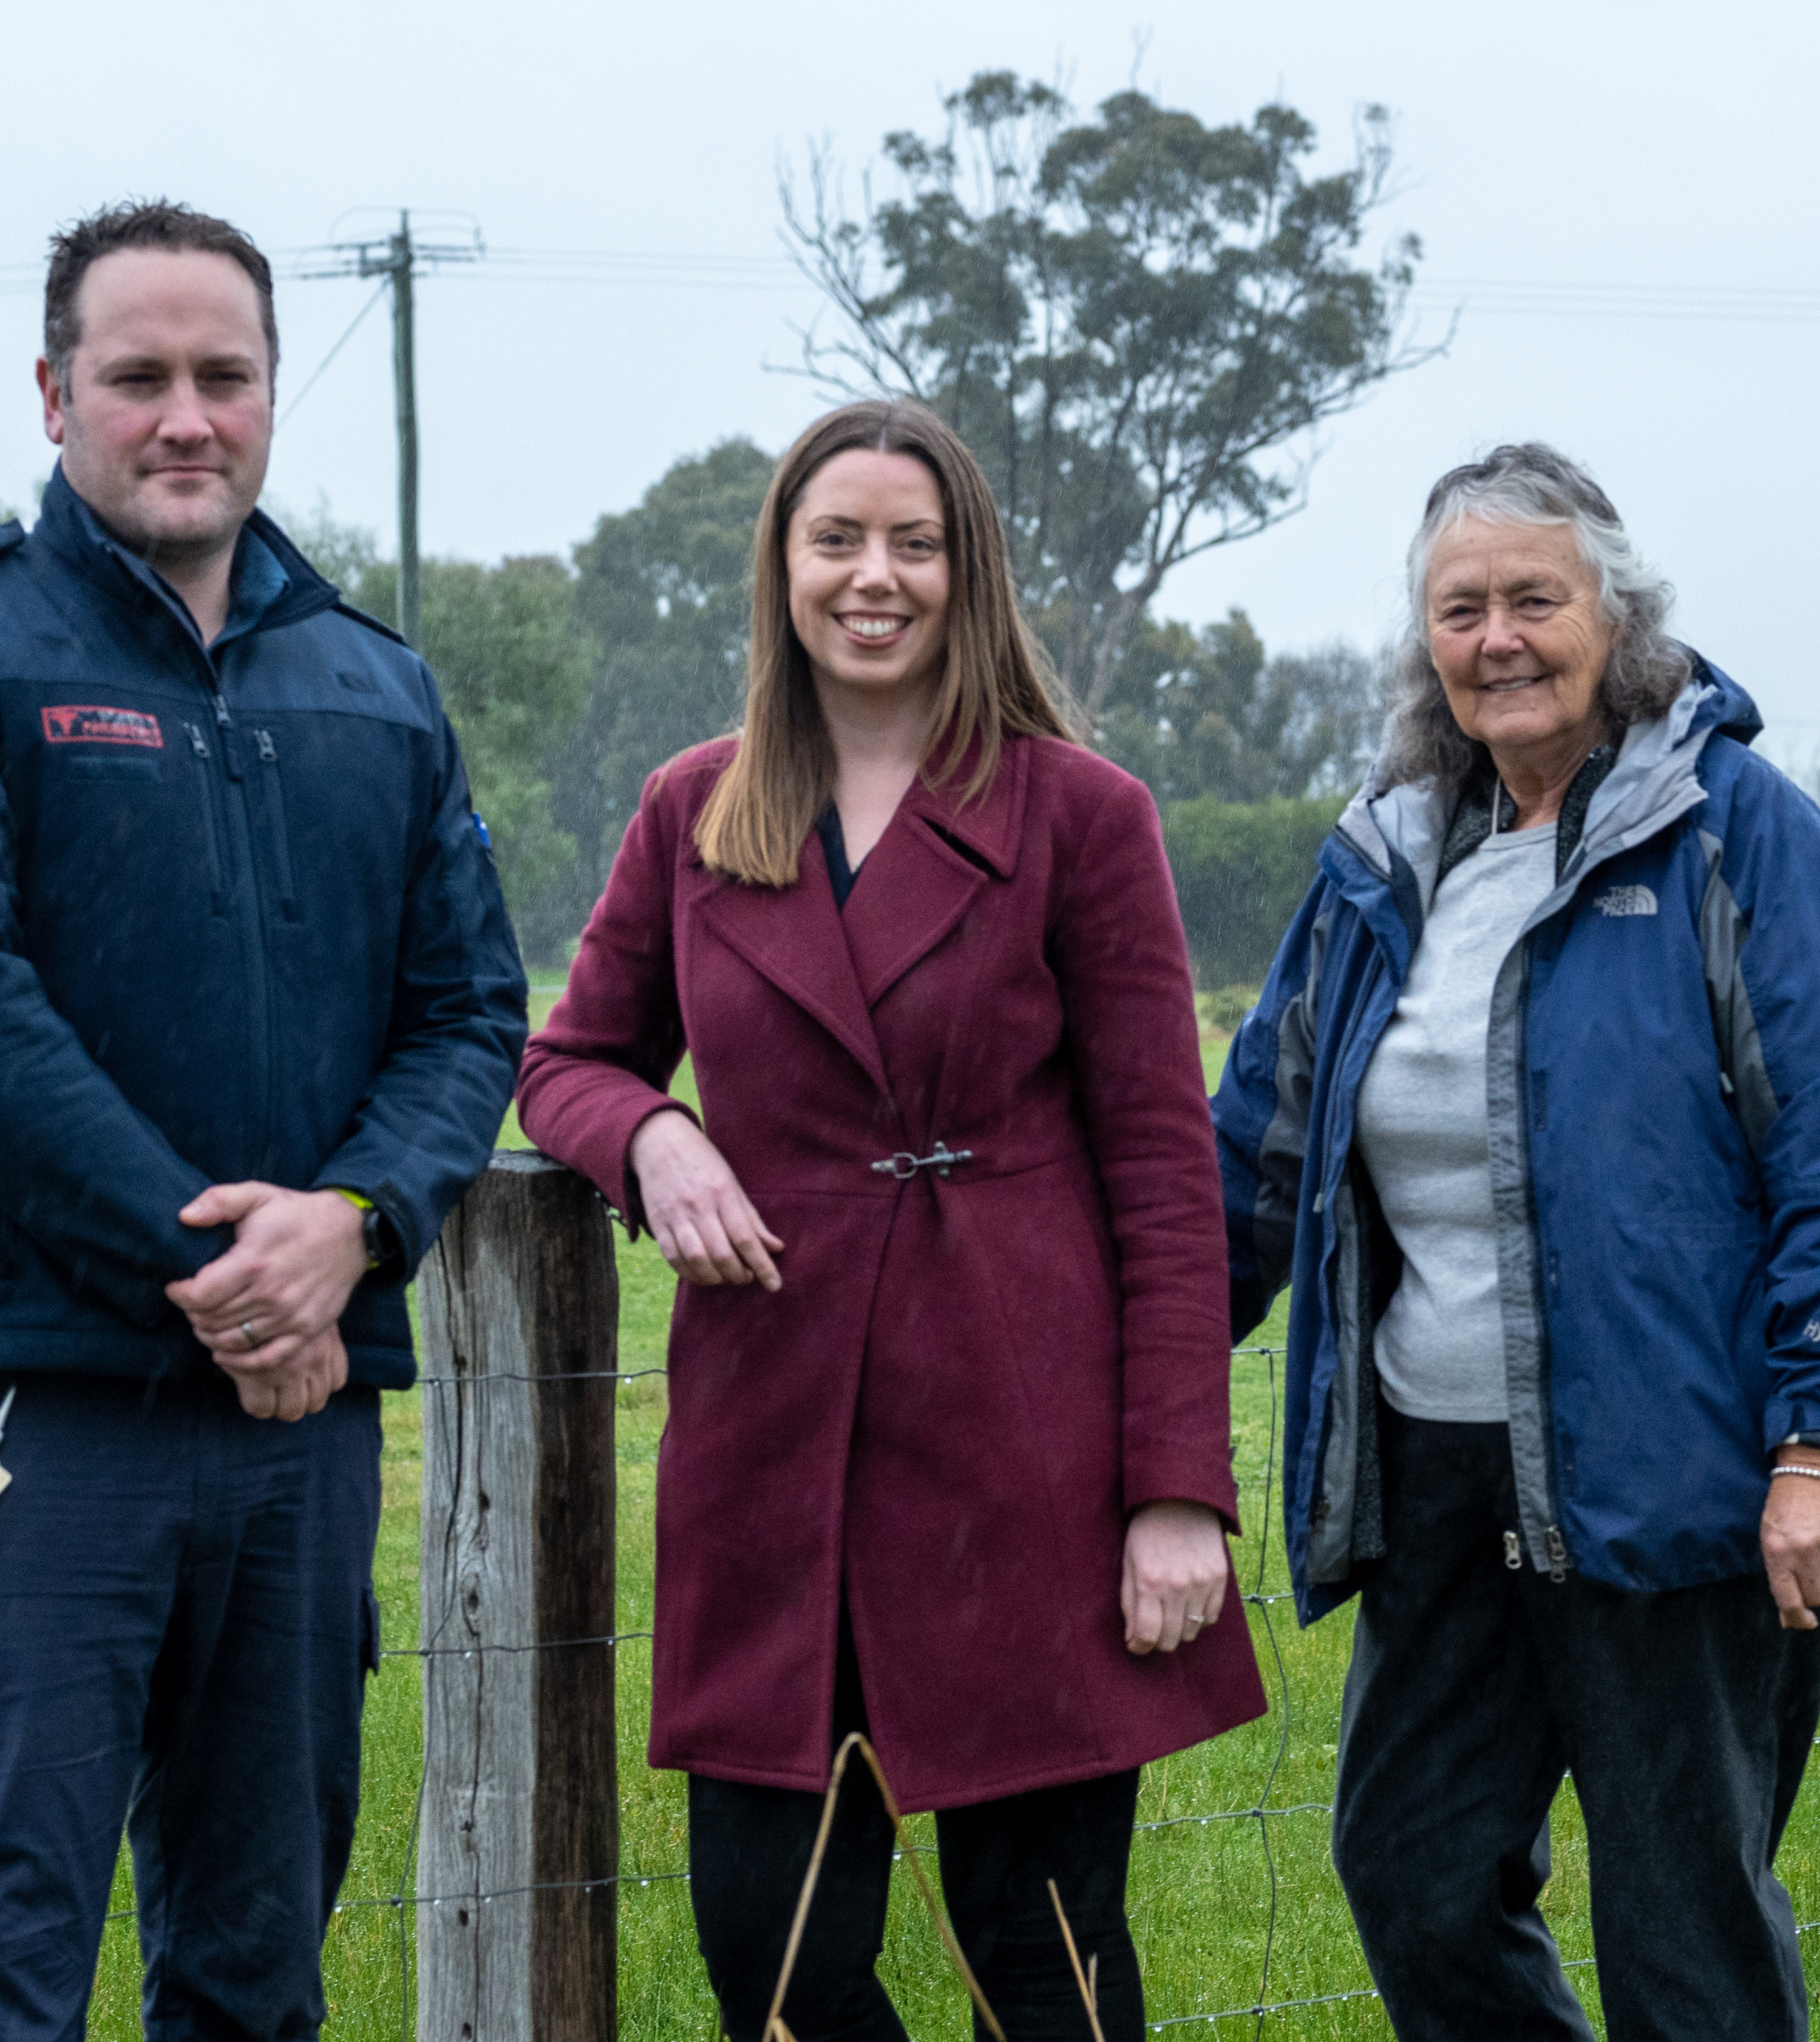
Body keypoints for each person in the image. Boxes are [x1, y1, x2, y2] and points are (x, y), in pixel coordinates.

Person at [0, 199, 526, 2040]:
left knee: (257, 1966)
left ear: (275, 392)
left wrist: (356, 1217)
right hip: (31, 1409)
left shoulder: (376, 686)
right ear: (55, 393)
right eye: (139, 377)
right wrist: (219, 1259)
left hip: (296, 1430)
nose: (184, 414)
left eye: (225, 375)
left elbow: (468, 1010)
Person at [518, 398, 1265, 2040]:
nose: (876, 574)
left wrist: (1173, 1493)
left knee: (1042, 1954)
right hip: (771, 1455)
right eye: (837, 537)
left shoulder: (1081, 814)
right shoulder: (693, 811)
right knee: (773, 1957)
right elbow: (564, 1060)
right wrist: (647, 1135)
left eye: (914, 542)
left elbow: (1164, 1176)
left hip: (1023, 1449)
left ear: (968, 570)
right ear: (782, 567)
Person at [1214, 444, 1820, 2042]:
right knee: (1411, 1874)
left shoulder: (1727, 830)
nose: (1497, 638)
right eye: (1458, 608)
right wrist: (1116, 1384)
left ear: (1615, 614)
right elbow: (1254, 1158)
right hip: (1434, 1478)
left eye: (1533, 599)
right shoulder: (1384, 859)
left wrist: (1819, 1438)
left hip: (1676, 1477)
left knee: (1684, 1934)